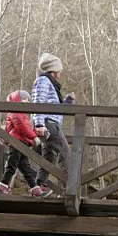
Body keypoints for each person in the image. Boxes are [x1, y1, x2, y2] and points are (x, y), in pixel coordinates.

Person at [0, 90, 52, 197]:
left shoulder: (22, 114)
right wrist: (33, 136)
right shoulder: (15, 113)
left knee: (26, 169)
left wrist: (37, 134)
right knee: (11, 166)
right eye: (24, 99)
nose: (27, 101)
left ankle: (35, 189)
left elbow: (27, 128)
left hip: (22, 144)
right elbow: (22, 127)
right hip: (16, 143)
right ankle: (1, 188)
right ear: (18, 100)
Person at [31, 53, 75, 191]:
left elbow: (54, 107)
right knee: (65, 153)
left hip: (49, 122)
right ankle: (68, 189)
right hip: (48, 123)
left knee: (48, 156)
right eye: (59, 70)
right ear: (54, 70)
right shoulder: (43, 81)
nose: (60, 73)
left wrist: (67, 101)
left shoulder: (50, 83)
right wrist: (39, 124)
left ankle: (40, 186)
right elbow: (39, 102)